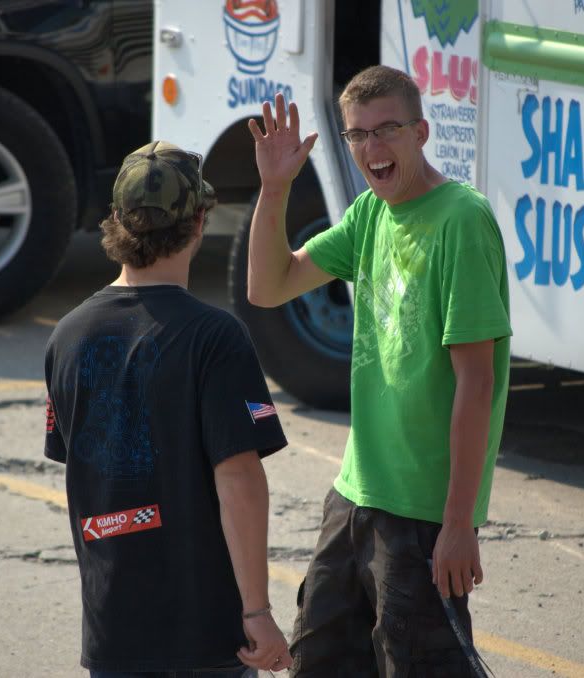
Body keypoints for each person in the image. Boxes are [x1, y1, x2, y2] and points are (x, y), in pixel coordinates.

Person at [246, 65, 512, 676]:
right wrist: (274, 189)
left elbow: (478, 384)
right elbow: (268, 286)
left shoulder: (460, 221)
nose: (372, 148)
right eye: (357, 135)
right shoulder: (370, 214)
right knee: (318, 659)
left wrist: (457, 523)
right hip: (354, 493)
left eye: (387, 130)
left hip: (422, 510)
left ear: (421, 132)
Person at [44, 140, 293, 677]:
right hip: (201, 632)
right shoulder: (215, 336)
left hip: (113, 629)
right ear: (200, 222)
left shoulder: (66, 336)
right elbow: (239, 478)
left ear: (116, 219)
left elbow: (85, 468)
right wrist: (257, 611)